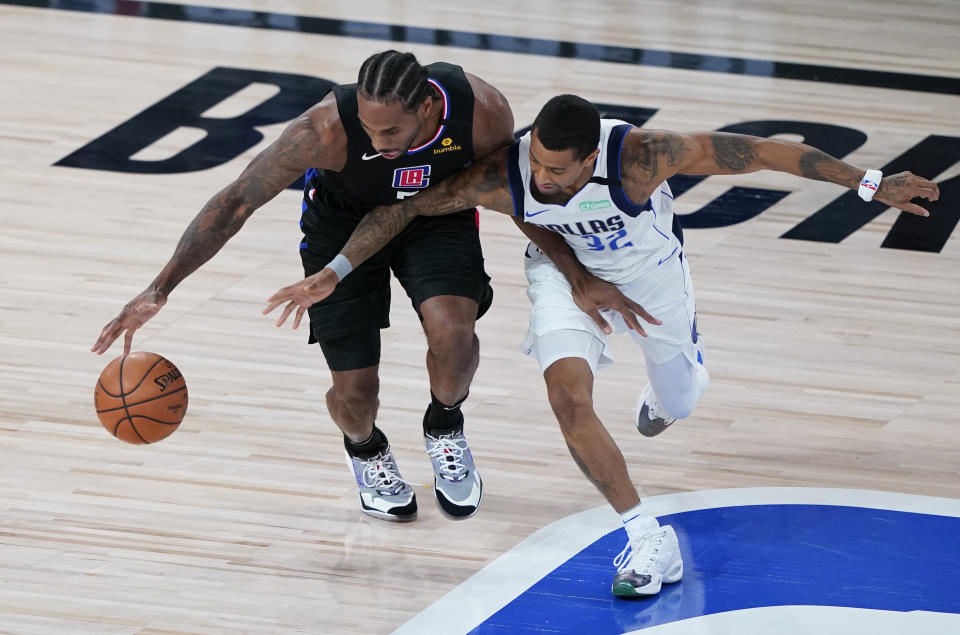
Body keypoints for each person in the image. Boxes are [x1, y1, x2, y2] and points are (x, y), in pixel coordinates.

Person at [264, 94, 939, 596]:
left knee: (678, 396)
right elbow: (404, 207)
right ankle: (647, 539)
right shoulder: (509, 172)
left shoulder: (642, 156)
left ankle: (677, 386)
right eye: (539, 164)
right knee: (566, 396)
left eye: (561, 169)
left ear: (593, 155)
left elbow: (760, 151)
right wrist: (335, 271)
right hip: (566, 282)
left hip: (651, 281)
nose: (546, 178)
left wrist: (870, 183)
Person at [91, 51, 631, 524]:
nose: (377, 143)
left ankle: (445, 426)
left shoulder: (482, 111)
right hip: (340, 224)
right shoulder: (321, 131)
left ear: (425, 108)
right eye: (369, 131)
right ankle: (365, 449)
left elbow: (516, 196)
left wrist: (576, 275)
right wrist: (160, 288)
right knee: (355, 392)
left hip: (436, 217)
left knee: (453, 332)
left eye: (390, 132)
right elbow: (236, 202)